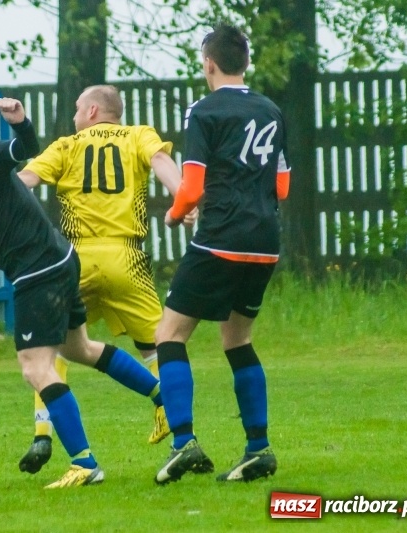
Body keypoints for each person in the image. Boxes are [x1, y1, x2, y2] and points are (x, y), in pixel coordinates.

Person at [0, 98, 165, 489]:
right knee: (79, 348)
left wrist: (21, 122)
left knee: (34, 367)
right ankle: (163, 397)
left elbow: (24, 150)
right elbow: (0, 211)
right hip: (55, 261)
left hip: (39, 270)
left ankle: (84, 464)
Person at [11, 84, 196, 474]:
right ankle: (180, 435)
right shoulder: (138, 135)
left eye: (78, 108)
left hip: (74, 260)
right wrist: (184, 198)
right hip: (125, 257)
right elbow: (161, 160)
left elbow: (22, 182)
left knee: (53, 349)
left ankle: (42, 434)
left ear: (93, 111)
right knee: (161, 345)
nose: (75, 115)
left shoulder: (66, 146)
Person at [153, 24, 291, 485]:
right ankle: (258, 450)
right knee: (238, 340)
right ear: (245, 63)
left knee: (169, 334)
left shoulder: (204, 110)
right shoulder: (271, 110)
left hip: (220, 239)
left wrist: (175, 215)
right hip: (265, 240)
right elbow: (282, 186)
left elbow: (191, 186)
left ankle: (183, 443)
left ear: (208, 63)